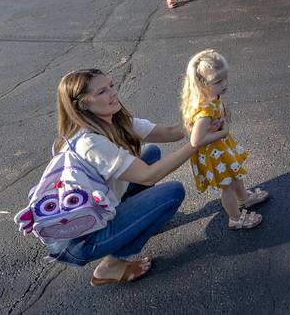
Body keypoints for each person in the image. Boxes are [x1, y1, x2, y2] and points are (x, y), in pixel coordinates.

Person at [51, 68, 207, 284]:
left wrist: (204, 117)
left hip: (99, 207)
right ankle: (112, 264)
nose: (113, 93)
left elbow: (171, 132)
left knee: (150, 153)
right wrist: (196, 144)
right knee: (172, 193)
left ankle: (140, 221)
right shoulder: (90, 143)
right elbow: (148, 176)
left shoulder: (112, 121)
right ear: (84, 103)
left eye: (112, 85)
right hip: (82, 238)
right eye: (102, 92)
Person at [180, 50, 269, 230]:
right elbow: (196, 141)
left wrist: (225, 118)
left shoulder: (212, 96)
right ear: (202, 83)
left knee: (235, 175)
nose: (225, 84)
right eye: (218, 81)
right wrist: (224, 131)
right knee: (227, 186)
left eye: (225, 78)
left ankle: (243, 198)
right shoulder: (204, 112)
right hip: (214, 155)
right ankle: (235, 218)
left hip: (220, 148)